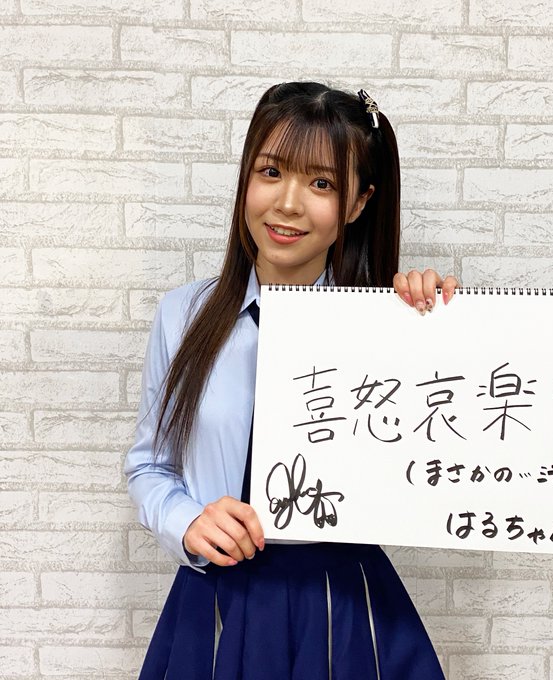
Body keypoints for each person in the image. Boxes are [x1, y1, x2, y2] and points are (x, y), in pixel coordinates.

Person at [125, 81, 459, 680]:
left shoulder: (388, 325)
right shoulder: (182, 315)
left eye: (321, 183)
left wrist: (438, 326)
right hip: (215, 598)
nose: (287, 203)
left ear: (358, 203)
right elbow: (150, 465)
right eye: (271, 171)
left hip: (340, 606)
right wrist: (188, 522)